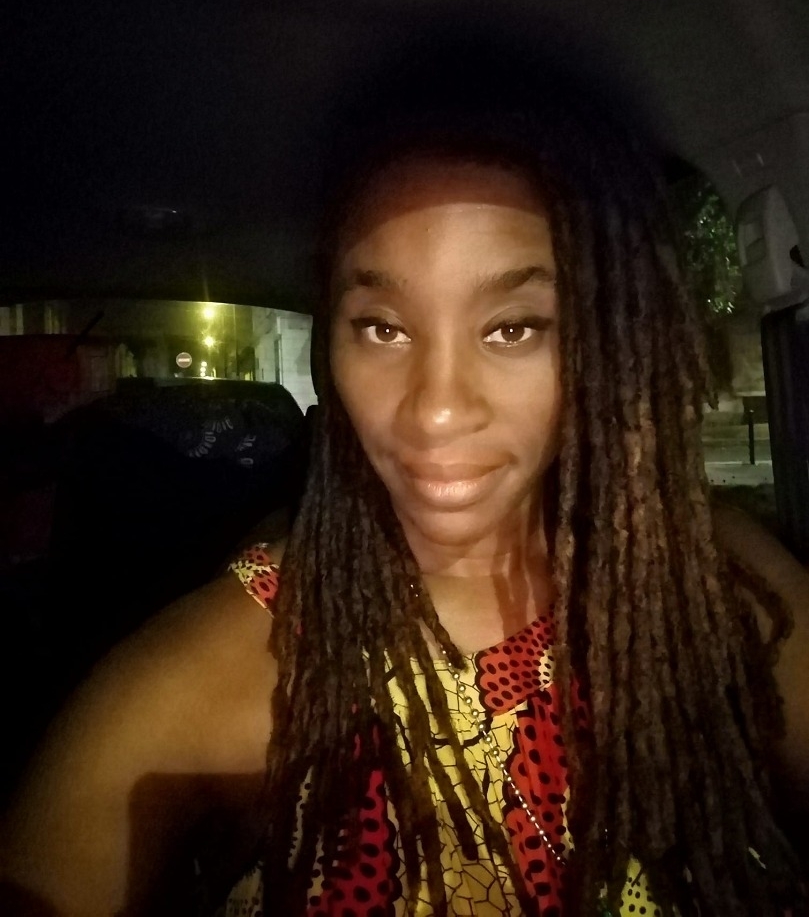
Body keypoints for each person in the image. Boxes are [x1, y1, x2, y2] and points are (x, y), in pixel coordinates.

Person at [2, 45, 809, 917]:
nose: (435, 411)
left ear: (601, 345)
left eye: (512, 327)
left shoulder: (714, 583)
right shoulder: (225, 664)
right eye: (382, 327)